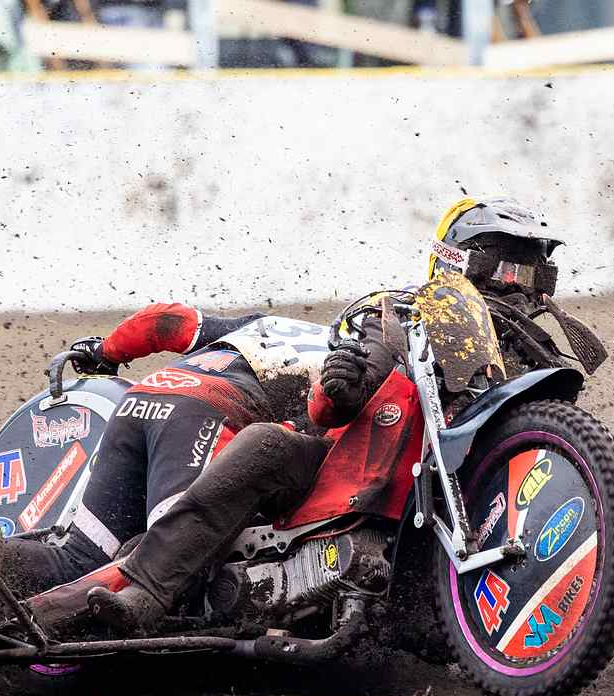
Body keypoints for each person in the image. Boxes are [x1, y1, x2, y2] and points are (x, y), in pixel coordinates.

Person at [87, 196, 564, 636]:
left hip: (426, 504)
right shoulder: (388, 318)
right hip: (324, 460)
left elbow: (168, 322)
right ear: (458, 263)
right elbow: (327, 402)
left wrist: (102, 352)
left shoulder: (535, 360)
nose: (515, 286)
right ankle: (148, 589)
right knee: (265, 445)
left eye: (529, 276)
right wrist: (339, 388)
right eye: (502, 270)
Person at [2, 304, 335, 628]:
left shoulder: (268, 324)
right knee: (172, 554)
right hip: (204, 413)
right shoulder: (353, 370)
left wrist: (105, 352)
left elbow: (165, 321)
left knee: (78, 558)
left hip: (138, 401)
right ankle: (47, 621)